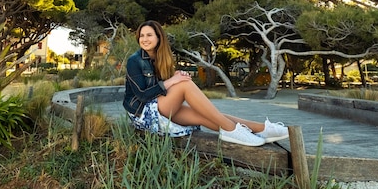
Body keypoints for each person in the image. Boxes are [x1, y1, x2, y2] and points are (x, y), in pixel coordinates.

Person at [123, 20, 289, 147]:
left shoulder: (161, 59)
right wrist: (173, 81)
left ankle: (261, 130)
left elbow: (160, 84)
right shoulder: (134, 60)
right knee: (185, 84)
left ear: (159, 38)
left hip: (159, 105)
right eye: (142, 35)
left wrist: (174, 76)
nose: (144, 39)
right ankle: (231, 131)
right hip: (143, 113)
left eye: (149, 35)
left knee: (204, 116)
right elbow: (143, 95)